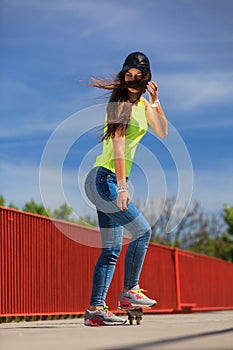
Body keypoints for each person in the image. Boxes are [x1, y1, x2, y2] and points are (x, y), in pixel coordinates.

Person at [84, 51, 168, 326]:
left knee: (111, 249)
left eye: (138, 76)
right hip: (105, 179)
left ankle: (95, 311)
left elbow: (163, 131)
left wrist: (156, 103)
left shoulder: (143, 105)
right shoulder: (119, 104)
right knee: (143, 231)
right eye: (128, 75)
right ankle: (130, 290)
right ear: (123, 77)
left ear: (146, 79)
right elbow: (118, 145)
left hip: (105, 181)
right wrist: (122, 186)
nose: (132, 80)